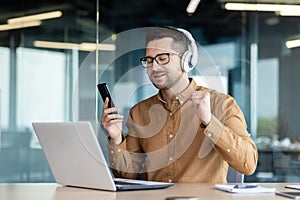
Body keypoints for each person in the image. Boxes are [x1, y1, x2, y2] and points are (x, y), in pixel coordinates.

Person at [100, 27, 258, 183]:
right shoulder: (139, 112)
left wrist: (210, 122)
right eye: (148, 61)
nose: (154, 67)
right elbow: (127, 176)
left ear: (186, 61)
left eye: (162, 59)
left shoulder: (221, 104)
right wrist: (116, 138)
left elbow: (248, 164)